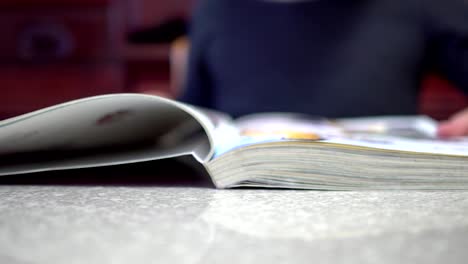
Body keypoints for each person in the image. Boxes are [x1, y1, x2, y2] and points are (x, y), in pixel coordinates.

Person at [178, 0, 468, 137]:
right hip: (234, 212)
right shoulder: (215, 9)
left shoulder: (420, 6)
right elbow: (198, 114)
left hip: (379, 204)